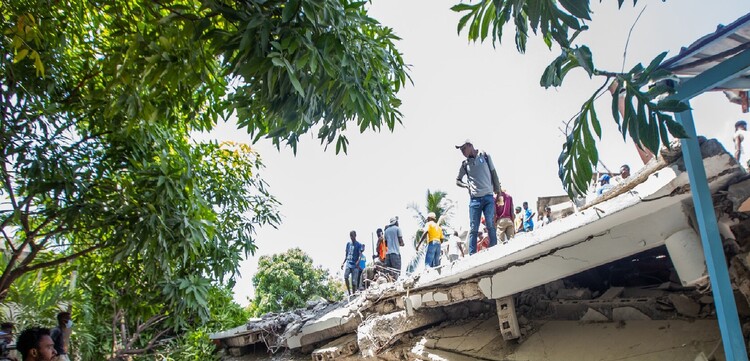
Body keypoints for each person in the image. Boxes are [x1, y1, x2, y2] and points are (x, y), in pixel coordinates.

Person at [455, 139, 501, 255]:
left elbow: (493, 173)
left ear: (470, 145)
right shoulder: (465, 164)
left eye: (464, 148)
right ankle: (472, 254)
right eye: (461, 150)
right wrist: (466, 186)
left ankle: (494, 249)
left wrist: (498, 191)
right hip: (475, 200)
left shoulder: (484, 155)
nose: (462, 152)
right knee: (474, 228)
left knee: (490, 224)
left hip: (488, 197)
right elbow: (458, 180)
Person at [340, 231, 362, 296]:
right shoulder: (348, 244)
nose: (351, 237)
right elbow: (346, 255)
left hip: (355, 265)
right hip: (348, 263)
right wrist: (343, 263)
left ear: (355, 235)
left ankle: (354, 294)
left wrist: (358, 261)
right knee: (346, 276)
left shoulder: (359, 244)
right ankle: (349, 292)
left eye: (352, 236)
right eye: (350, 236)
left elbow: (360, 254)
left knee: (354, 282)